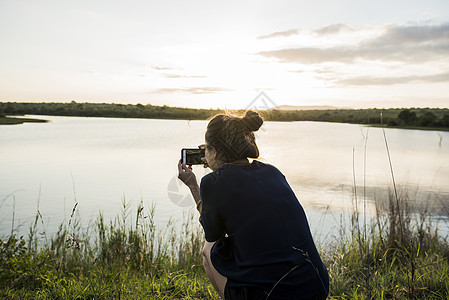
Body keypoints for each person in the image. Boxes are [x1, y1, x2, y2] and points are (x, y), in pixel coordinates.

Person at [178, 110, 329, 300]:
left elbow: (213, 234)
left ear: (214, 151)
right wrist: (219, 167)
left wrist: (193, 185)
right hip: (317, 287)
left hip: (271, 296)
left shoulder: (213, 183)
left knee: (208, 249)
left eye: (207, 148)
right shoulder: (272, 172)